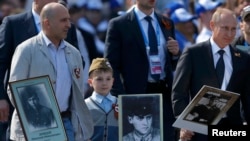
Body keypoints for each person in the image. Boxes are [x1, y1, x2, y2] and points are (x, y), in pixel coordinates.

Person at [7, 2, 93, 141]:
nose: (69, 25)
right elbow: (15, 91)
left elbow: (77, 96)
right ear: (47, 23)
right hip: (34, 128)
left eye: (69, 20)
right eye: (63, 20)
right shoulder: (26, 50)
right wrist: (40, 118)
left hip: (67, 125)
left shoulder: (74, 53)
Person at [104, 0, 180, 140]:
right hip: (136, 97)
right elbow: (110, 66)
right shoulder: (119, 24)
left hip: (164, 94)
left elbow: (171, 64)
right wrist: (122, 99)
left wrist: (175, 54)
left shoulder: (166, 22)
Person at [172, 8, 250, 141]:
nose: (230, 33)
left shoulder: (243, 58)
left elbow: (247, 98)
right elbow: (179, 93)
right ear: (212, 25)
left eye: (233, 29)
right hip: (200, 129)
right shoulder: (193, 53)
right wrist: (184, 124)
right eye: (225, 28)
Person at [85, 58, 118, 141]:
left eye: (108, 79)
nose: (104, 83)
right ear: (90, 82)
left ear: (112, 81)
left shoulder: (121, 103)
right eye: (99, 79)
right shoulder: (85, 105)